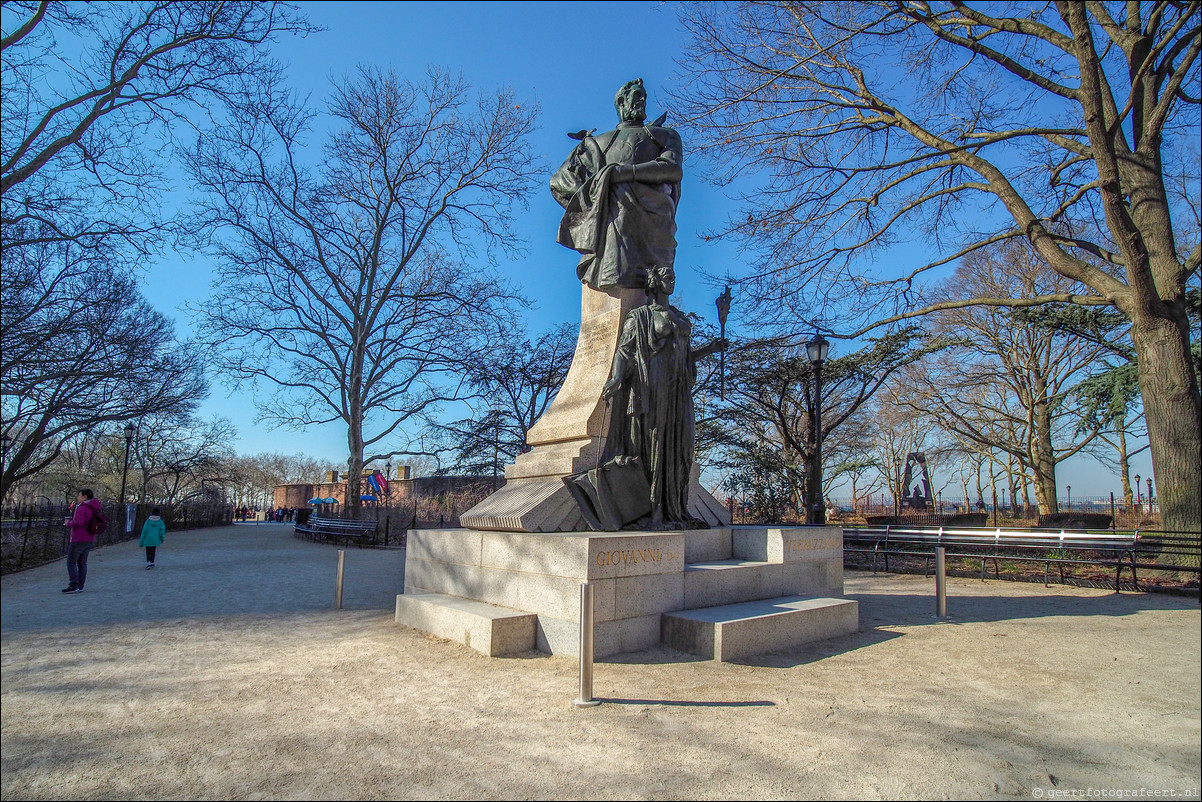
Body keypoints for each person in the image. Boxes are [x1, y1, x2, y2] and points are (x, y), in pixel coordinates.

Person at [569, 265, 726, 529]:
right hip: (652, 388)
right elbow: (624, 351)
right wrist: (617, 377)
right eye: (667, 276)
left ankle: (674, 510)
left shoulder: (677, 315)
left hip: (678, 392)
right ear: (654, 282)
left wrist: (710, 349)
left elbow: (684, 356)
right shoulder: (640, 316)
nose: (672, 279)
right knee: (655, 446)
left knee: (680, 447)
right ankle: (653, 511)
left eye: (673, 276)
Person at [551, 78, 683, 291]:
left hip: (654, 215)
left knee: (621, 190)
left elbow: (672, 169)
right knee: (617, 195)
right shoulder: (597, 143)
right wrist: (592, 199)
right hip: (612, 219)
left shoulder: (664, 135)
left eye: (644, 97)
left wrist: (621, 173)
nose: (642, 101)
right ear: (621, 101)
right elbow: (559, 182)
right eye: (637, 96)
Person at [62, 488, 103, 593]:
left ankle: (73, 584)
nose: (78, 497)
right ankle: (80, 585)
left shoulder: (82, 508)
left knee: (71, 562)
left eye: (79, 495)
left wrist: (68, 523)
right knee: (82, 563)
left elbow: (79, 523)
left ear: (84, 497)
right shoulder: (93, 507)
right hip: (89, 537)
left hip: (78, 538)